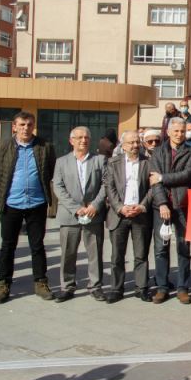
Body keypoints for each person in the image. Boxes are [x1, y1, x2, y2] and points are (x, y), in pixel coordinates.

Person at [0, 111, 56, 304]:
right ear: (15, 127)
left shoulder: (45, 147)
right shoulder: (3, 147)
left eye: (29, 125)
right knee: (8, 245)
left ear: (33, 126)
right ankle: (3, 284)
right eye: (22, 125)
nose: (25, 128)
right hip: (12, 203)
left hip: (37, 203)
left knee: (37, 245)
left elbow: (49, 170)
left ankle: (41, 282)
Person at [52, 127, 108, 302]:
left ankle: (95, 286)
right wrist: (75, 207)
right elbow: (58, 187)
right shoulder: (61, 162)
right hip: (70, 215)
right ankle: (67, 286)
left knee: (95, 252)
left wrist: (95, 205)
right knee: (68, 253)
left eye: (86, 137)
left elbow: (106, 184)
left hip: (93, 214)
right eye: (79, 138)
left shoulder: (100, 160)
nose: (83, 140)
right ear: (71, 141)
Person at [149, 117, 191, 305]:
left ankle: (183, 287)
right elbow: (153, 181)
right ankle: (162, 286)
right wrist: (162, 202)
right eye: (176, 131)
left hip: (182, 206)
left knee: (183, 247)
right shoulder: (157, 152)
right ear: (168, 132)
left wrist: (163, 177)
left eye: (182, 131)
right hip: (161, 207)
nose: (179, 134)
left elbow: (187, 175)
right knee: (161, 248)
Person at [104, 130, 153, 303]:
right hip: (119, 215)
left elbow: (152, 188)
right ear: (122, 145)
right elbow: (109, 187)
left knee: (141, 254)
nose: (134, 146)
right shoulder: (112, 163)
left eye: (137, 142)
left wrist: (142, 206)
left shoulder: (148, 162)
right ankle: (116, 289)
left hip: (140, 214)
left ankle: (141, 288)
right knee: (117, 256)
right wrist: (120, 207)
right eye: (130, 143)